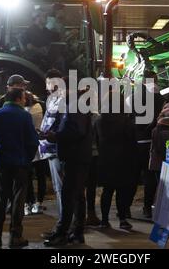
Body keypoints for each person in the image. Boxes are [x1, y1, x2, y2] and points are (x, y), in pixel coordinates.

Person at [0, 88, 39, 248]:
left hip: (2, 163)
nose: (24, 101)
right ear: (17, 98)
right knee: (18, 200)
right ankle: (16, 236)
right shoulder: (25, 116)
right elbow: (33, 142)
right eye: (23, 98)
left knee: (0, 200)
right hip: (21, 164)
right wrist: (27, 159)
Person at [43, 83, 92, 246]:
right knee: (76, 195)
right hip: (75, 156)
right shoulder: (75, 106)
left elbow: (76, 131)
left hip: (75, 158)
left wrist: (56, 136)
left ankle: (63, 233)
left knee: (69, 195)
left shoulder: (76, 107)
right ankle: (74, 232)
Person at [96, 92, 137, 230]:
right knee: (122, 190)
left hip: (106, 159)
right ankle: (123, 219)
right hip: (123, 159)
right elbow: (132, 141)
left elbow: (97, 141)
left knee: (107, 190)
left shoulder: (100, 120)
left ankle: (104, 220)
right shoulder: (126, 120)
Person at [131, 70, 165, 219]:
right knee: (150, 176)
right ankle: (147, 207)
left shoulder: (135, 97)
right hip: (154, 142)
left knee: (132, 176)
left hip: (138, 141)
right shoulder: (162, 99)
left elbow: (130, 117)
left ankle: (125, 209)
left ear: (144, 81)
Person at [39, 69, 66, 238]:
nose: (47, 86)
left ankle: (64, 225)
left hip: (56, 149)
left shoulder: (61, 101)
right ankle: (64, 223)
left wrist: (47, 135)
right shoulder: (53, 100)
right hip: (50, 148)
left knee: (61, 188)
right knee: (60, 188)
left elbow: (56, 126)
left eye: (48, 82)